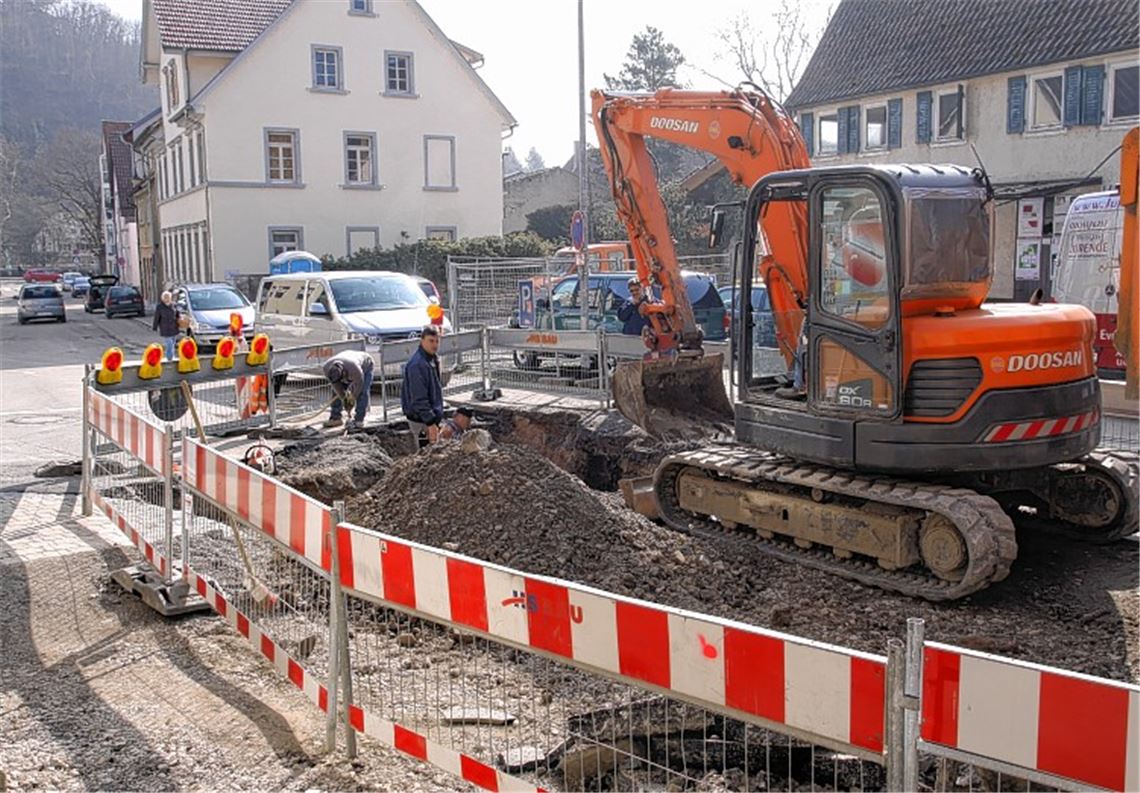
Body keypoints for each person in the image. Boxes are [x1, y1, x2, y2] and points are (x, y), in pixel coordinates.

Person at [401, 325, 444, 444]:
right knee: (424, 455)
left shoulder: (431, 359)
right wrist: (430, 422)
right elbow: (419, 398)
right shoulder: (417, 365)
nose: (434, 345)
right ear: (422, 340)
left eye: (437, 341)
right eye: (431, 341)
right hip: (421, 420)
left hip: (428, 418)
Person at [322, 349, 374, 429]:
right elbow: (338, 389)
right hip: (348, 360)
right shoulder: (326, 368)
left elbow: (357, 389)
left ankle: (359, 420)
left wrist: (350, 402)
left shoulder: (354, 369)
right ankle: (336, 418)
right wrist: (344, 400)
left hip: (366, 366)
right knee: (336, 392)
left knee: (362, 393)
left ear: (343, 372)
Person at [152, 291, 180, 361]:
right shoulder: (159, 307)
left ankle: (172, 355)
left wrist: (180, 320)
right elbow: (157, 317)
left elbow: (177, 315)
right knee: (169, 343)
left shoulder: (174, 305)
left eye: (168, 297)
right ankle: (169, 358)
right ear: (162, 298)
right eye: (165, 297)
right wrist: (155, 327)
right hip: (165, 328)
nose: (167, 298)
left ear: (170, 298)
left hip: (174, 327)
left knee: (173, 343)